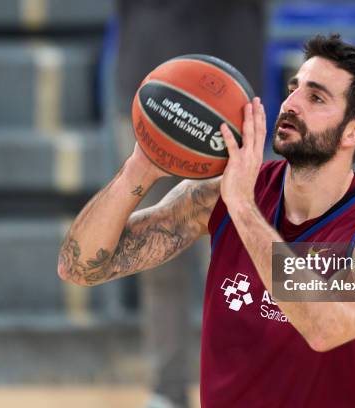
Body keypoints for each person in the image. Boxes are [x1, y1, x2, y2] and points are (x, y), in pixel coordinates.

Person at [58, 34, 355, 407]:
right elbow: (81, 267)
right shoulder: (219, 196)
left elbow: (325, 328)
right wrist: (139, 169)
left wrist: (244, 209)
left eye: (315, 98)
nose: (291, 104)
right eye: (293, 88)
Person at [113, 1, 265, 406]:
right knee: (159, 253)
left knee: (245, 254)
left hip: (234, 104)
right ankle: (167, 389)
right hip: (153, 95)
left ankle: (248, 386)